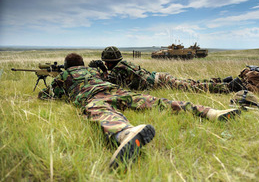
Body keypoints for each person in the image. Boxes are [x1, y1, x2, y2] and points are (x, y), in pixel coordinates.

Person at [39, 53, 240, 169]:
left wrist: (54, 80)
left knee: (102, 113)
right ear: (82, 63)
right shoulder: (94, 70)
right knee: (158, 101)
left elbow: (47, 96)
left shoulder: (63, 75)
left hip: (93, 97)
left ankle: (126, 133)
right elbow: (105, 74)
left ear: (66, 66)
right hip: (117, 91)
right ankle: (210, 112)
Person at [88, 46, 245, 93]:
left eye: (105, 62)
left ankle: (229, 87)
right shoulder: (124, 64)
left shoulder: (116, 70)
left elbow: (108, 85)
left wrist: (99, 71)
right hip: (160, 77)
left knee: (192, 88)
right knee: (191, 83)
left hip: (160, 83)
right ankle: (221, 81)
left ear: (108, 62)